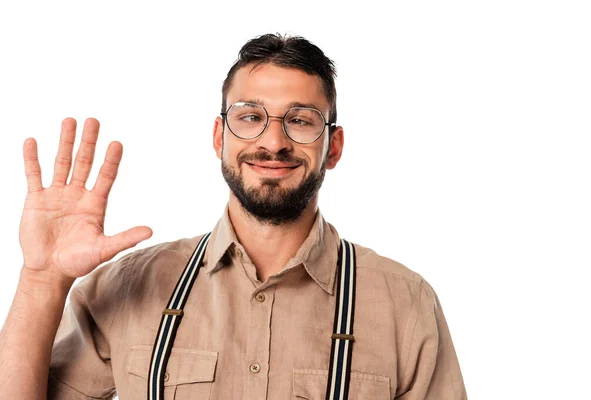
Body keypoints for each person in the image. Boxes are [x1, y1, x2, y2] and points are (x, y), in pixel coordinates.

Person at [0, 33, 467, 399]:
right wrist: (41, 279)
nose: (274, 141)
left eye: (301, 119)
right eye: (250, 116)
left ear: (334, 147)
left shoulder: (404, 304)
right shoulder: (127, 287)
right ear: (220, 137)